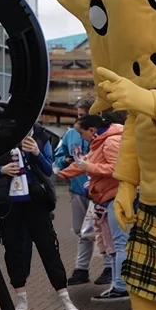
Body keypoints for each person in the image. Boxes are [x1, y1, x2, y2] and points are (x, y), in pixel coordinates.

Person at [0, 131, 78, 310]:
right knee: (14, 250)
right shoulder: (0, 136)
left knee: (48, 248)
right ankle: (21, 297)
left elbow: (48, 170)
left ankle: (65, 298)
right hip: (10, 204)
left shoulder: (41, 137)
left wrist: (36, 152)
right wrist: (1, 170)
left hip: (36, 202)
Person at [59, 115, 131, 302]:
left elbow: (117, 169)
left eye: (81, 132)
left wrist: (89, 167)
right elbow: (84, 164)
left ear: (91, 130)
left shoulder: (109, 142)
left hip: (116, 196)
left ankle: (121, 286)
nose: (81, 137)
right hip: (108, 198)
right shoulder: (100, 142)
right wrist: (62, 173)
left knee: (119, 243)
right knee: (113, 244)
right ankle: (117, 285)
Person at [51, 105, 96, 287]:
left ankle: (109, 268)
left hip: (99, 191)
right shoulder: (70, 135)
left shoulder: (101, 134)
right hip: (77, 189)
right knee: (80, 231)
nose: (80, 120)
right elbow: (57, 158)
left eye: (83, 116)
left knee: (99, 232)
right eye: (78, 116)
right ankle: (82, 270)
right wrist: (65, 160)